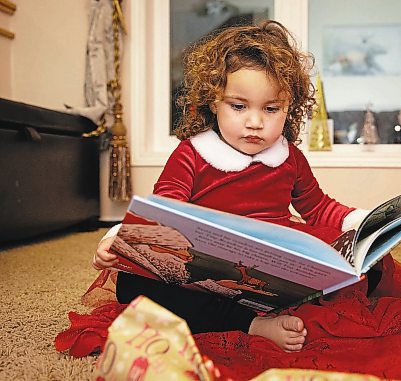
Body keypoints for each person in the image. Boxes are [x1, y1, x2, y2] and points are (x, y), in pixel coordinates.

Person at [92, 20, 369, 352]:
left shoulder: (289, 157)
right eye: (239, 106)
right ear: (213, 101)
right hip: (207, 278)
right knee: (133, 285)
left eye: (271, 109)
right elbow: (165, 212)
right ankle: (250, 324)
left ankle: (271, 308)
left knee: (364, 267)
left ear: (289, 108)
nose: (255, 122)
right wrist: (120, 239)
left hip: (273, 271)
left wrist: (363, 224)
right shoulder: (192, 154)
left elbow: (319, 207)